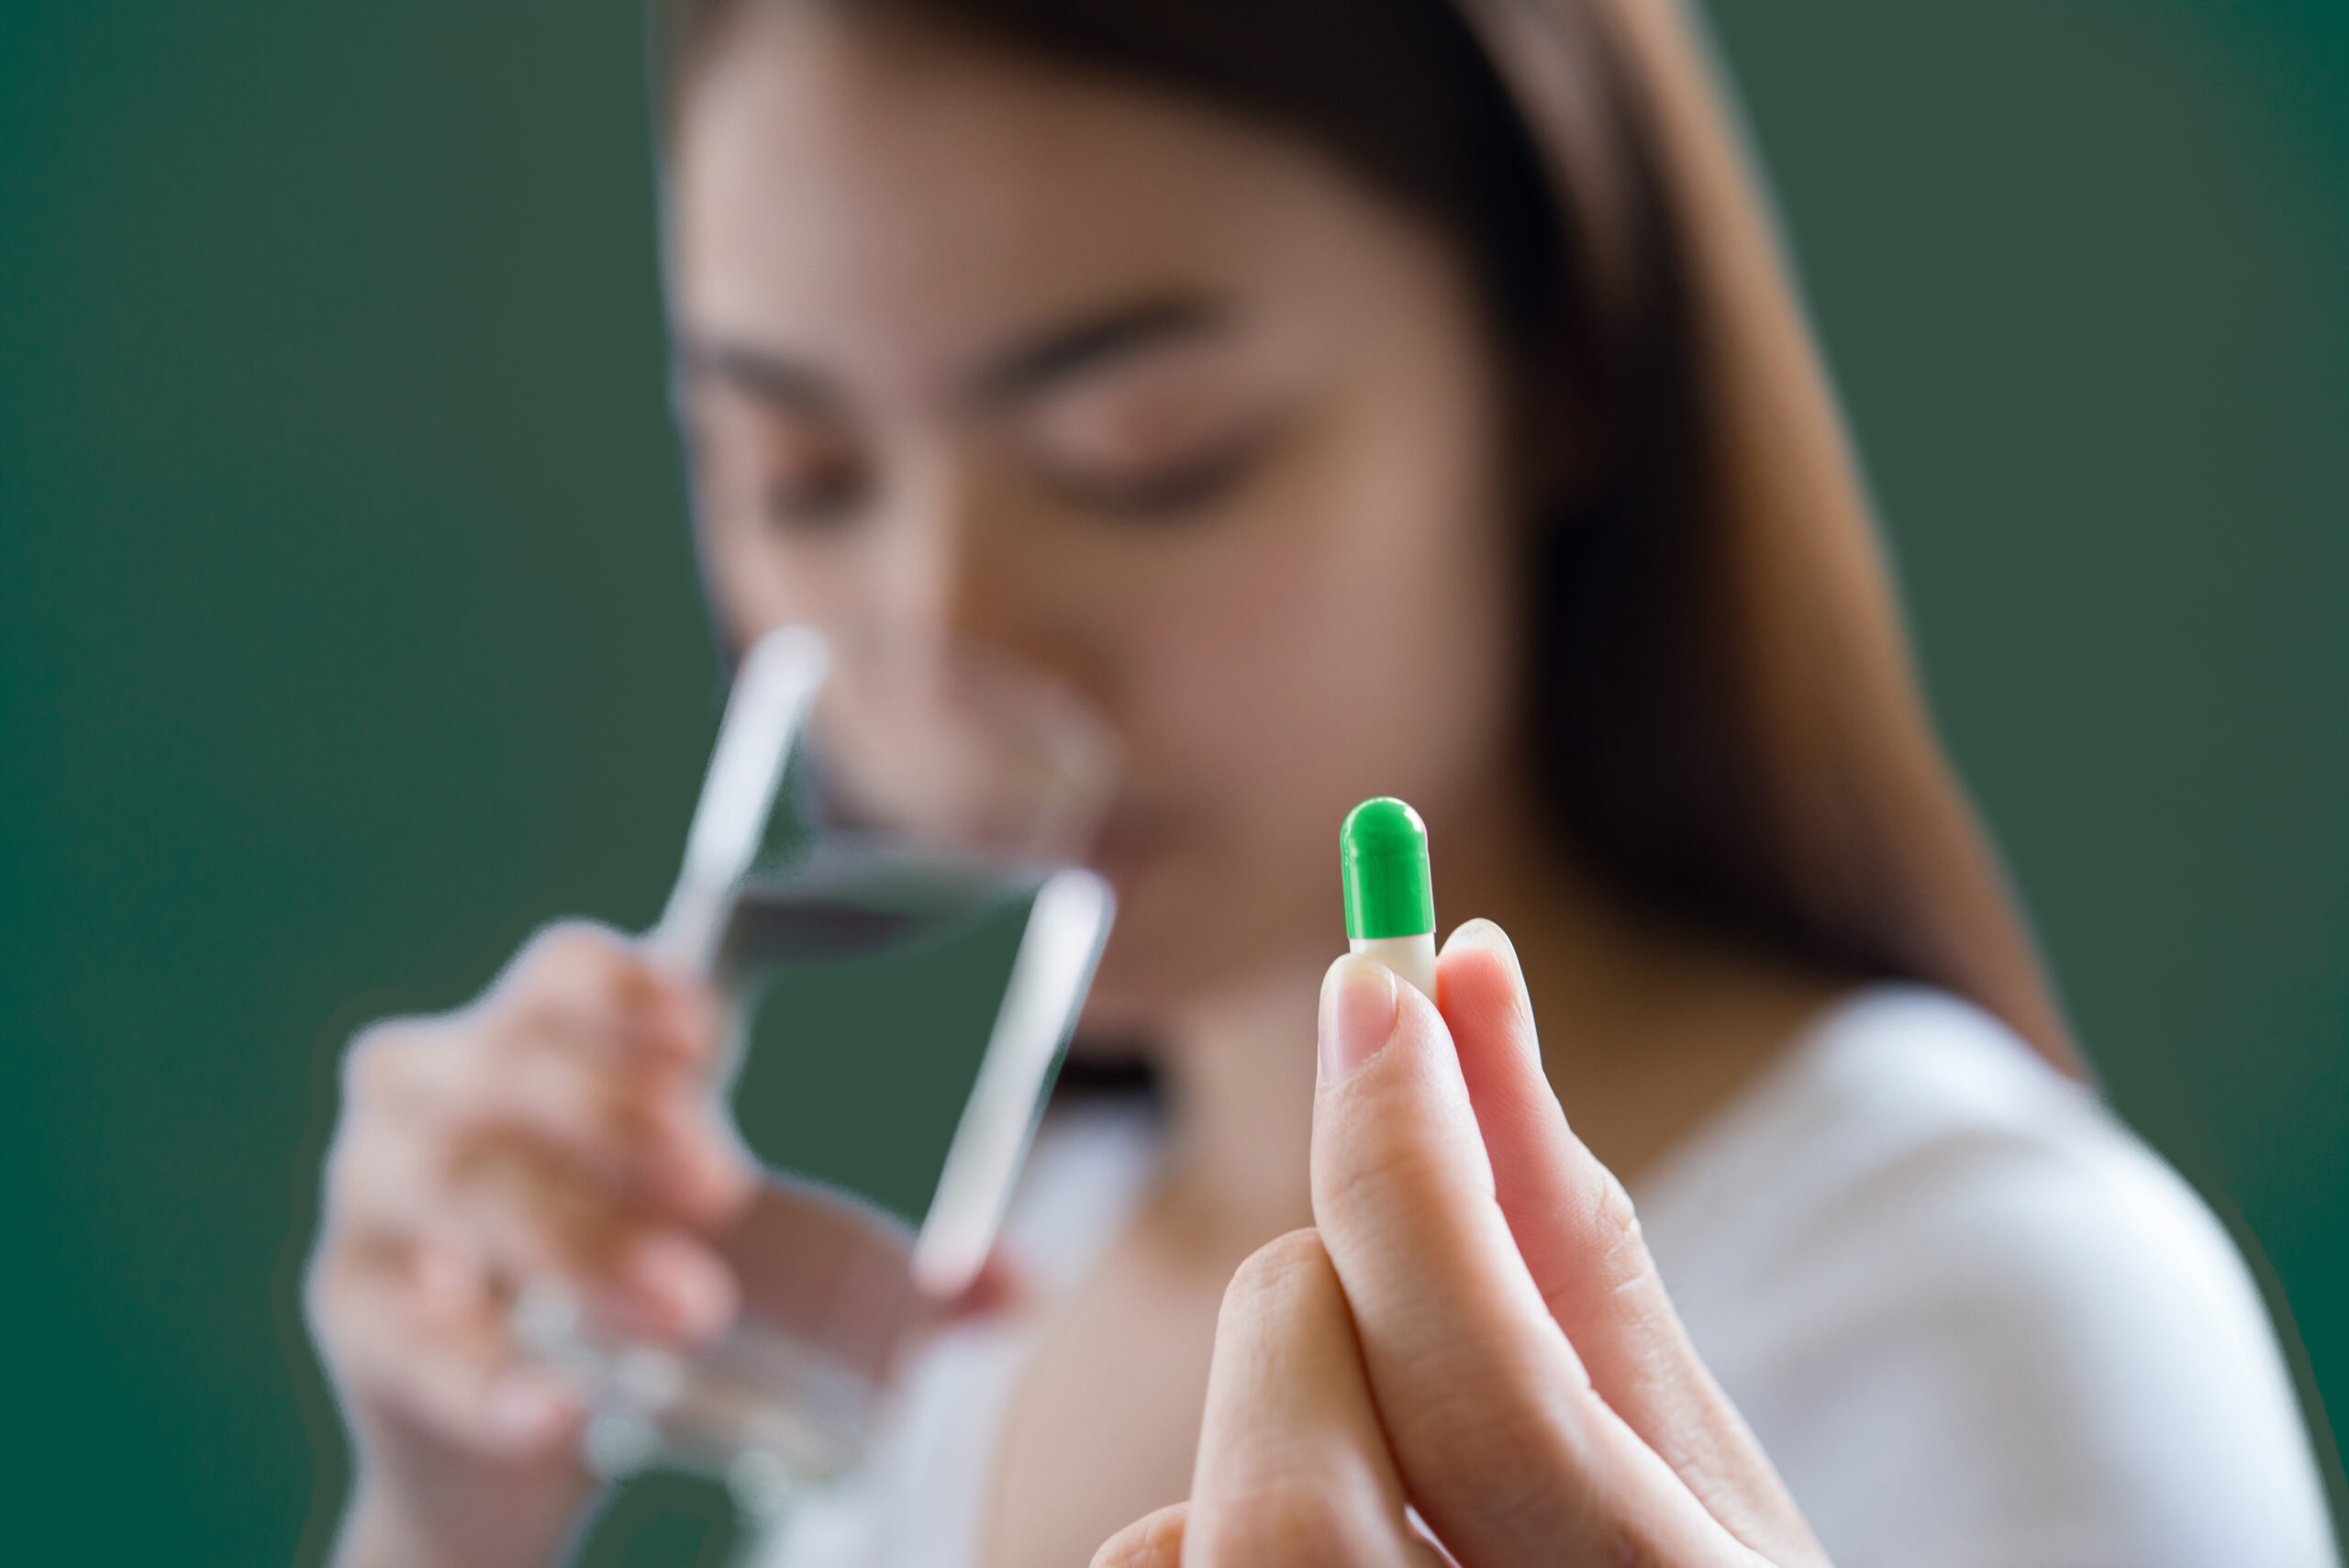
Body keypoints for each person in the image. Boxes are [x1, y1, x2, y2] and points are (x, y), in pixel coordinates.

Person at [304, 0, 2341, 1563]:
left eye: (1151, 449)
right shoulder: (953, 1313)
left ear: (1552, 373)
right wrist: (448, 1521)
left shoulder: (1977, 1300)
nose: (943, 637)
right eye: (796, 477)